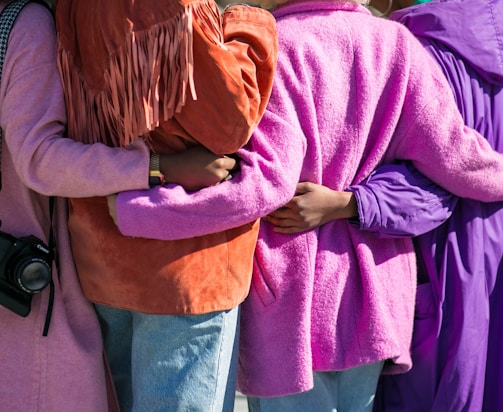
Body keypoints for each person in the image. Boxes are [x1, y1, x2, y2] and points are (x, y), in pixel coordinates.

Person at [105, 1, 503, 412]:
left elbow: (259, 185)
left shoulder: (272, 48)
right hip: (375, 294)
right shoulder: (399, 45)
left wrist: (142, 208)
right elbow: (457, 157)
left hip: (291, 303)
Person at [0, 0, 237, 411]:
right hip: (29, 292)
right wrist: (157, 166)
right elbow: (39, 158)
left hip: (84, 270)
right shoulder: (27, 23)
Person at [52, 0, 280, 410]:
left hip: (103, 255)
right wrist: (250, 22)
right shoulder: (178, 5)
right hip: (186, 267)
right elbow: (228, 123)